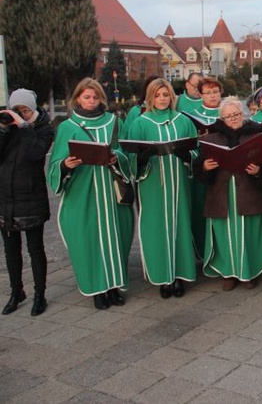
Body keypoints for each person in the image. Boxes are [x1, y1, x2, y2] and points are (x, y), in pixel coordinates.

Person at [47, 78, 134, 310]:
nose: (92, 101)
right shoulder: (67, 127)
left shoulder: (114, 122)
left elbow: (127, 153)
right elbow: (55, 163)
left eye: (95, 97)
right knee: (89, 240)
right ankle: (98, 289)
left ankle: (115, 286)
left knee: (116, 238)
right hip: (83, 193)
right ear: (77, 99)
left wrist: (117, 157)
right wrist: (66, 163)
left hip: (111, 191)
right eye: (87, 97)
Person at [195, 97, 262, 290]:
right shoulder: (212, 138)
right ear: (222, 119)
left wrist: (258, 172)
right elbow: (199, 167)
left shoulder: (256, 136)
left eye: (237, 114)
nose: (233, 119)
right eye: (228, 116)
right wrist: (205, 166)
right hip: (221, 196)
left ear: (243, 114)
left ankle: (248, 272)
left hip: (249, 194)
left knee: (249, 233)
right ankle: (229, 273)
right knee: (225, 235)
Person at [127, 79, 197, 298]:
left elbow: (197, 150)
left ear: (172, 97)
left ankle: (180, 276)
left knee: (180, 226)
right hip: (152, 184)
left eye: (165, 95)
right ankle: (163, 278)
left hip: (179, 183)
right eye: (157, 95)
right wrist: (141, 157)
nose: (162, 99)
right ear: (150, 97)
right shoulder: (140, 123)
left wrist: (187, 155)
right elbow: (129, 154)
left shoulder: (183, 121)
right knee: (156, 229)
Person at [0, 89, 53, 316]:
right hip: (5, 199)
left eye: (25, 110)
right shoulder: (7, 128)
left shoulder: (43, 129)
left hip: (32, 198)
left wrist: (23, 126)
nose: (20, 113)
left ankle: (40, 294)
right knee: (11, 252)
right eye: (17, 110)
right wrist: (3, 130)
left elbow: (35, 154)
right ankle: (16, 291)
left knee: (35, 249)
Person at [189, 77, 224, 260]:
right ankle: (204, 253)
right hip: (204, 168)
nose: (212, 96)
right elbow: (187, 145)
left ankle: (224, 253)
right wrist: (198, 140)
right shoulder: (192, 116)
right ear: (200, 94)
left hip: (225, 169)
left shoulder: (227, 112)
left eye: (215, 92)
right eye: (208, 92)